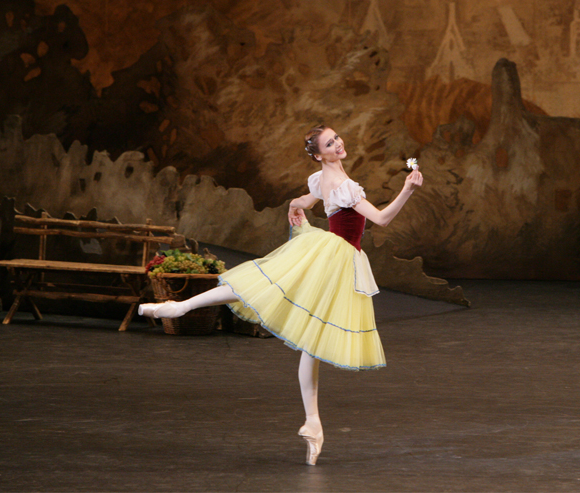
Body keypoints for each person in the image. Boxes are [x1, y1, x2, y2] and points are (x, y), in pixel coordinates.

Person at [139, 125, 423, 465]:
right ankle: (180, 307)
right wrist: (407, 190)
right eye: (330, 143)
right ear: (319, 154)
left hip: (332, 253)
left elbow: (308, 199)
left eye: (337, 138)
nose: (338, 143)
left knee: (307, 338)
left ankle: (313, 423)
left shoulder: (321, 179)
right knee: (283, 306)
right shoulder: (343, 186)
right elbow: (382, 219)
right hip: (334, 256)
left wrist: (294, 205)